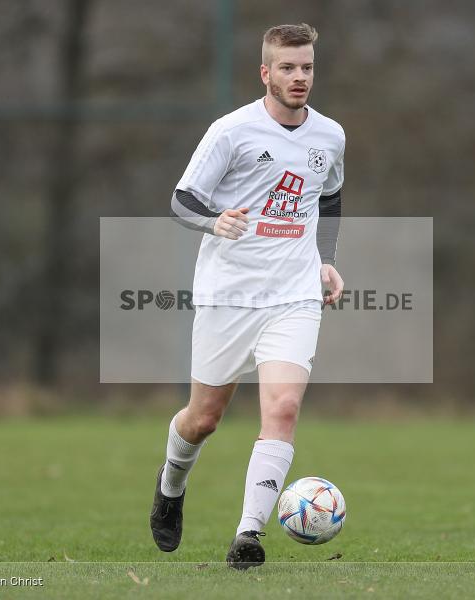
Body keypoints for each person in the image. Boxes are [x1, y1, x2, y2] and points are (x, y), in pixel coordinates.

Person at [151, 22, 345, 570]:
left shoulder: (330, 135)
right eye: (288, 67)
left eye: (307, 67)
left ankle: (248, 534)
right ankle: (170, 484)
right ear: (265, 73)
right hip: (228, 296)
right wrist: (215, 221)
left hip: (294, 295)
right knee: (203, 419)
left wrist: (326, 260)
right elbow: (182, 200)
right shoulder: (232, 131)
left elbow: (330, 197)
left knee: (282, 408)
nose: (299, 76)